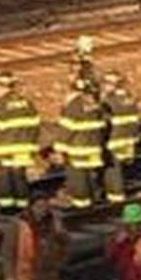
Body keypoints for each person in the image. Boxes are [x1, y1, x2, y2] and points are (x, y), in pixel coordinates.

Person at [0, 71, 41, 212]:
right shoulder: (28, 104)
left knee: (4, 180)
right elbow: (36, 125)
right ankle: (23, 207)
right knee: (19, 177)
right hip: (25, 148)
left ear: (1, 87)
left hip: (4, 150)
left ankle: (7, 210)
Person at [56, 76, 107, 209]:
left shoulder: (75, 106)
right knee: (90, 175)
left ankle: (82, 205)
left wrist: (59, 149)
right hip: (94, 148)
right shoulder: (99, 107)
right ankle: (93, 199)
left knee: (78, 178)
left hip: (78, 150)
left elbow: (67, 129)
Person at [100, 71, 140, 205]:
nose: (104, 85)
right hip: (128, 138)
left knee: (112, 169)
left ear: (115, 85)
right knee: (120, 167)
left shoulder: (109, 101)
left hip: (114, 140)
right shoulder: (128, 98)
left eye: (107, 83)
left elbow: (103, 119)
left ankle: (116, 198)